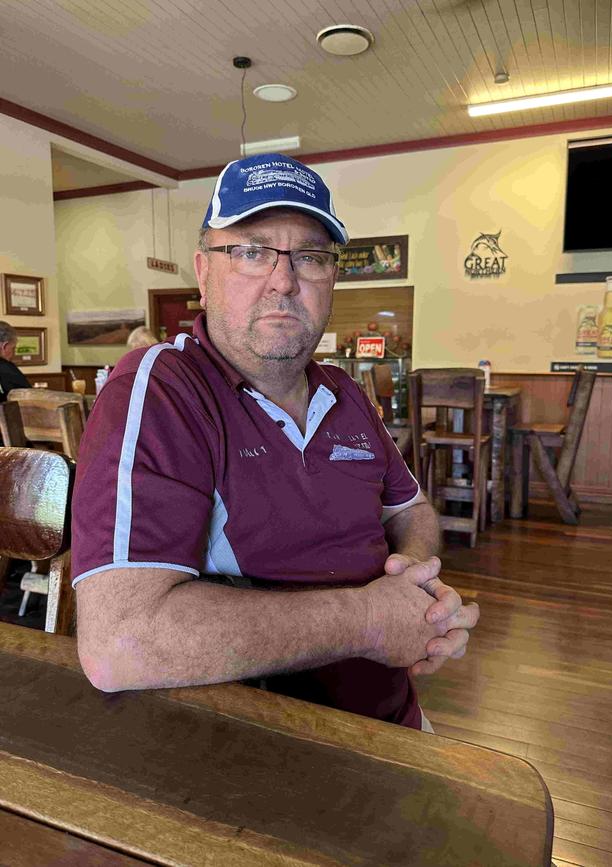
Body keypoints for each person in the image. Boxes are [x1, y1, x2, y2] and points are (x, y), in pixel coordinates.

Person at [72, 153, 479, 731]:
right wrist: (369, 618)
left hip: (398, 722)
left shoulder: (345, 391)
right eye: (251, 251)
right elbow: (121, 643)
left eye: (310, 257)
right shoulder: (162, 387)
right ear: (203, 273)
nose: (283, 281)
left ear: (332, 277)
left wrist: (413, 589)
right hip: (263, 758)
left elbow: (410, 508)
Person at [0, 320, 31, 403]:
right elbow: (29, 397)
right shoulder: (6, 368)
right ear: (4, 346)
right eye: (13, 348)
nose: (14, 354)